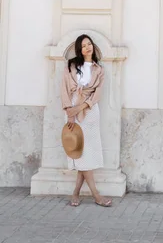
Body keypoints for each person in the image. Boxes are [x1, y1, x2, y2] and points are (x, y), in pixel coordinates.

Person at [61, 34, 112, 207]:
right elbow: (64, 90)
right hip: (72, 110)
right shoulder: (71, 66)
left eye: (89, 44)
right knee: (79, 152)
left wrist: (81, 107)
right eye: (83, 46)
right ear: (79, 50)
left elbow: (97, 94)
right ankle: (96, 195)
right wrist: (70, 111)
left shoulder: (99, 70)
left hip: (89, 111)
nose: (87, 47)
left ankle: (76, 193)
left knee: (86, 153)